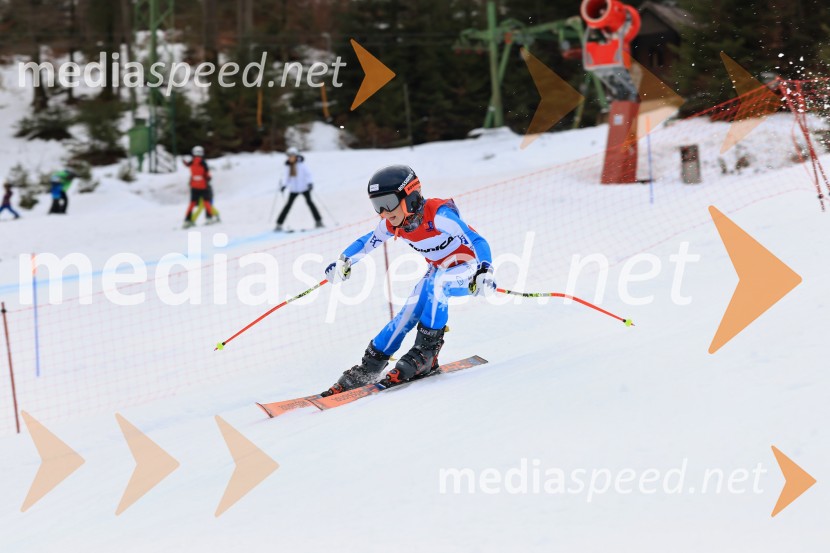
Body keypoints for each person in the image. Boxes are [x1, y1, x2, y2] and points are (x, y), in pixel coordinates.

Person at [320, 165, 496, 396]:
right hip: (439, 271)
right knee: (408, 312)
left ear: (410, 196)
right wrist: (345, 261)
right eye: (377, 205)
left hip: (468, 268)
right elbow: (367, 241)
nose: (384, 212)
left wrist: (484, 270)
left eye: (389, 202)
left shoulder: (440, 216)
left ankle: (426, 353)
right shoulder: (394, 223)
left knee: (438, 284)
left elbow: (476, 239)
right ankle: (370, 366)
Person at [274, 146, 323, 231]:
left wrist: (310, 183)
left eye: (292, 156)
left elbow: (308, 175)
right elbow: (286, 178)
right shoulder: (288, 166)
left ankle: (318, 221)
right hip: (294, 189)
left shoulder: (302, 165)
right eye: (289, 156)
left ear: (296, 156)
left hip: (304, 188)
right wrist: (284, 185)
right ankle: (279, 224)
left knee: (310, 203)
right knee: (288, 205)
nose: (290, 158)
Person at [182, 145, 218, 228]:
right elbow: (207, 174)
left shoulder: (192, 162)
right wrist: (208, 179)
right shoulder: (203, 162)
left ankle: (187, 220)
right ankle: (209, 218)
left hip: (194, 186)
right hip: (203, 186)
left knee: (192, 203)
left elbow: (187, 164)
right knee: (206, 202)